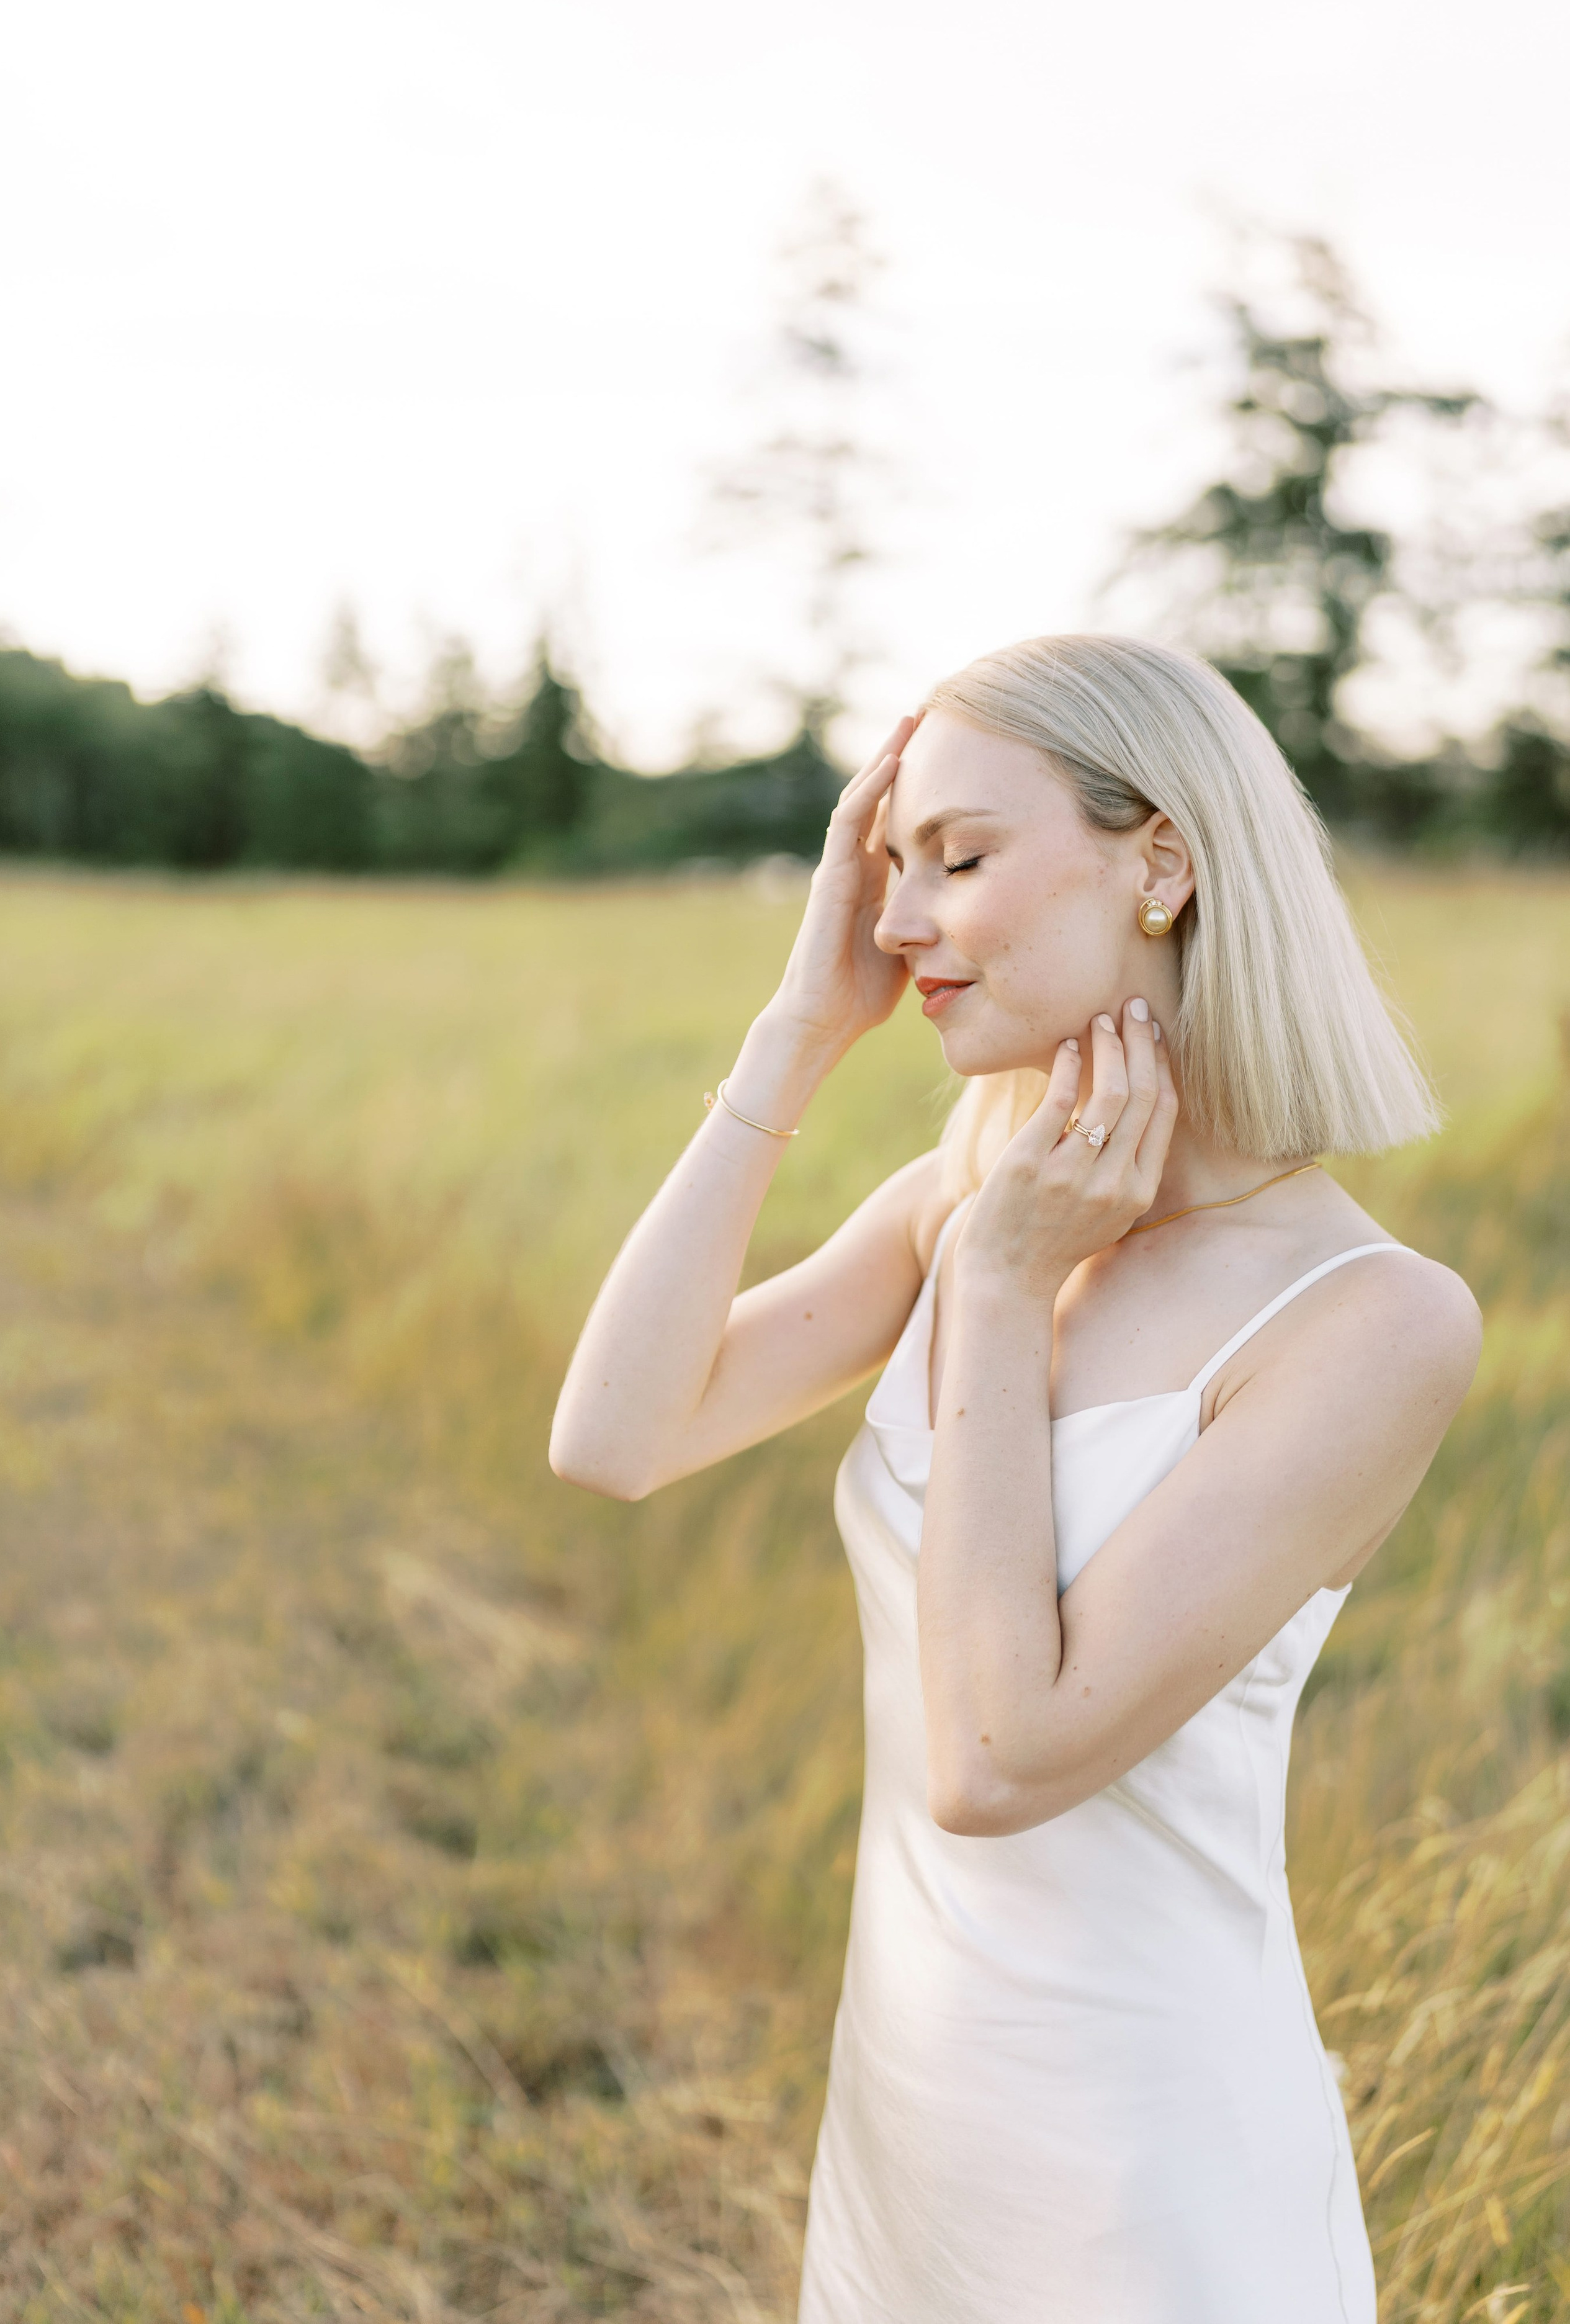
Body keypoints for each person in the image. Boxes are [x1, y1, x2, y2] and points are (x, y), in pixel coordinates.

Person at [549, 634, 1480, 2323]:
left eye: (960, 858)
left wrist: (994, 1290)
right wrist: (795, 1031)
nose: (900, 921)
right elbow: (613, 1440)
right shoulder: (957, 1192)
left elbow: (997, 1755)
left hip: (1145, 2177)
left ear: (1165, 864)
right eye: (889, 868)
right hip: (911, 2127)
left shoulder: (1369, 1323)